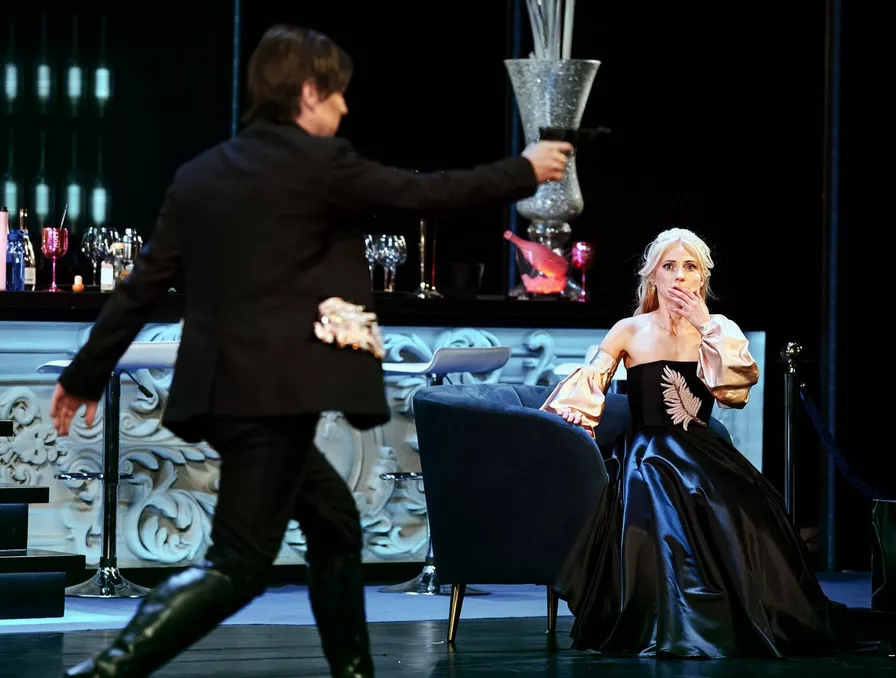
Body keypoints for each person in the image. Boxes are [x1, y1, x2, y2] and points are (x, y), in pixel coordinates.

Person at [51, 24, 572, 678]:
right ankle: (106, 673)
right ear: (306, 92)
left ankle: (354, 672)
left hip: (224, 394)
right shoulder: (319, 165)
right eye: (337, 94)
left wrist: (84, 374)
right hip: (271, 400)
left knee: (335, 526)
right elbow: (429, 194)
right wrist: (525, 169)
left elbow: (142, 288)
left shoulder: (200, 175)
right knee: (240, 564)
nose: (345, 107)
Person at [541, 228, 844, 658]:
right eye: (669, 266)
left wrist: (705, 325)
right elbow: (591, 380)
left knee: (739, 502)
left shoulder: (718, 330)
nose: (680, 276)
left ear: (702, 278)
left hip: (702, 446)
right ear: (653, 276)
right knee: (656, 486)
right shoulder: (630, 330)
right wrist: (577, 408)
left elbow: (734, 392)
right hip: (647, 451)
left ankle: (733, 616)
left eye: (690, 267)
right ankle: (662, 621)